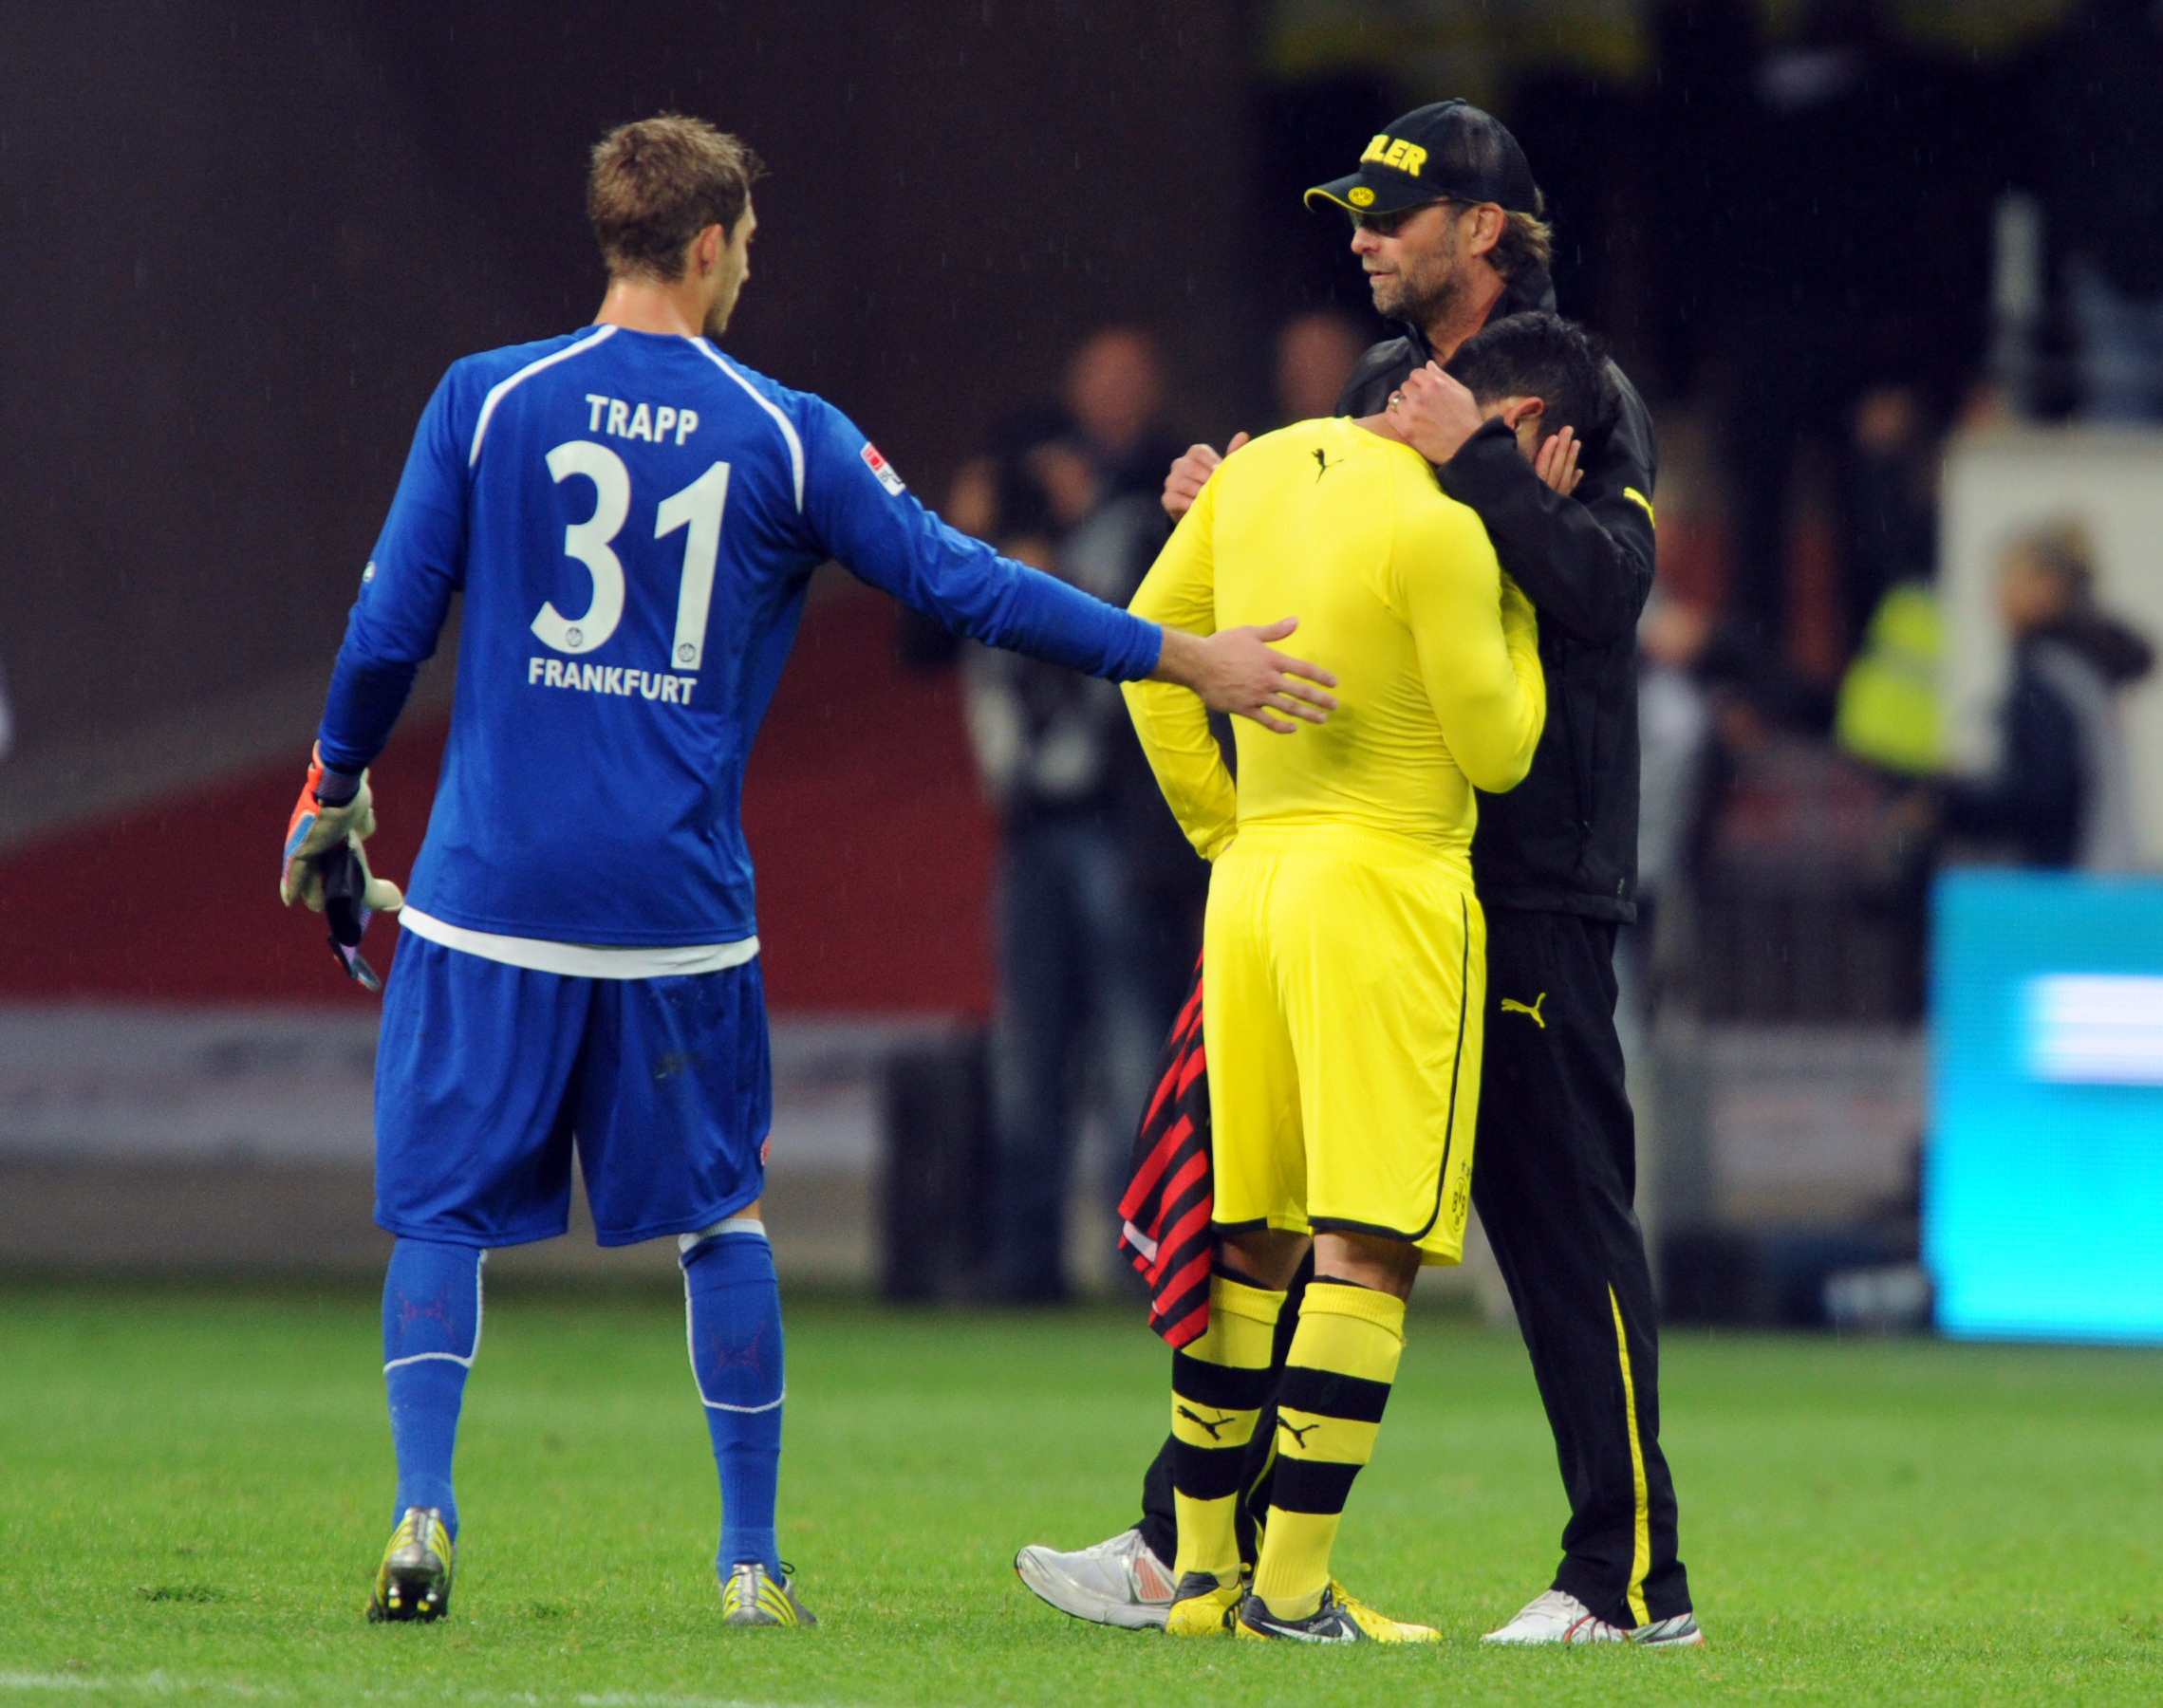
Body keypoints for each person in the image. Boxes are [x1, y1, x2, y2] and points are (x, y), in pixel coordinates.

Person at [275, 113, 1339, 1630]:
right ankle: (748, 1561)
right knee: (725, 1219)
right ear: (710, 246)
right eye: (749, 247)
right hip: (671, 912)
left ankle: (424, 1508)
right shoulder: (783, 431)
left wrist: (332, 785)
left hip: (486, 894)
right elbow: (962, 585)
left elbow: (386, 637)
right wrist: (1181, 656)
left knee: (440, 1216)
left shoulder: (486, 400)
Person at [1016, 100, 1705, 1647]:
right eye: (1353, 211)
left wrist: (1489, 476)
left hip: (1523, 872)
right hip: (1376, 867)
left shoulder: (1576, 384)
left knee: (1557, 1226)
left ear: (1481, 227)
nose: (1358, 239)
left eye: (1390, 213)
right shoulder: (1387, 388)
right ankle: (1185, 1546)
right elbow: (1355, 581)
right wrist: (1245, 507)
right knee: (1267, 1215)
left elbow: (1607, 589)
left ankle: (1627, 1582)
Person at [1940, 519, 2153, 870]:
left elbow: (2043, 794)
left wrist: (1951, 799)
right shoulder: (2080, 663)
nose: (1998, 596)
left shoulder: (2051, 672)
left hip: (2072, 882)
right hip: (2102, 870)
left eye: (2009, 579)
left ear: (2048, 586)